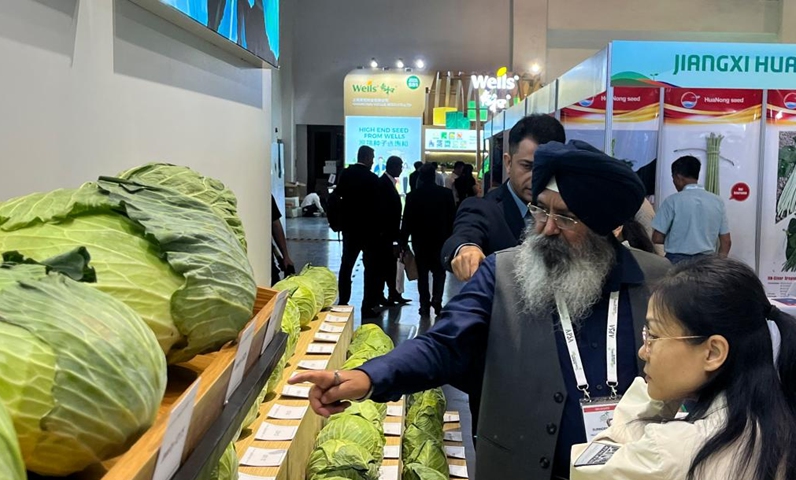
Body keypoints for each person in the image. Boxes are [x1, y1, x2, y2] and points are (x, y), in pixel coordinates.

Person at [290, 140, 672, 480]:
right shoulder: (503, 272)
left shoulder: (660, 283)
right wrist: (367, 377)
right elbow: (443, 344)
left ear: (608, 228)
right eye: (540, 210)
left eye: (566, 218)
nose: (547, 228)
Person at [571, 256, 796, 480]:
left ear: (713, 353)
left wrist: (656, 397)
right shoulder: (780, 422)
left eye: (654, 336)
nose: (643, 351)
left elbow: (584, 467)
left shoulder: (668, 453)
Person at [441, 114, 567, 281]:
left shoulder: (569, 211)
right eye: (527, 166)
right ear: (508, 163)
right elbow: (465, 233)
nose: (536, 177)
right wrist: (465, 249)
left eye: (546, 168)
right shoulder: (484, 209)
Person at [651, 155, 731, 264]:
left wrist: (677, 238)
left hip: (677, 261)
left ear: (678, 177)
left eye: (673, 178)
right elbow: (726, 241)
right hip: (706, 262)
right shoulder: (717, 201)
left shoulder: (672, 201)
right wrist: (718, 264)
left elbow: (657, 238)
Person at [401, 164, 456, 316]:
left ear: (420, 178)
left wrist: (403, 241)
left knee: (422, 275)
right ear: (434, 176)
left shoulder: (413, 196)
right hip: (441, 241)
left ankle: (424, 305)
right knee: (439, 272)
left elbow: (407, 221)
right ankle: (437, 301)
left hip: (420, 242)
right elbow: (452, 218)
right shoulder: (445, 194)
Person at [335, 146, 382, 317]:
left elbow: (338, 197)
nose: (373, 161)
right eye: (372, 158)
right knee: (370, 269)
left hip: (349, 229)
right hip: (369, 232)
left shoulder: (346, 174)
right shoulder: (372, 179)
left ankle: (343, 301)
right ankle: (367, 306)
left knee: (346, 265)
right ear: (367, 157)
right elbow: (377, 208)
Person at [374, 156, 410, 314]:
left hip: (390, 234)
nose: (402, 169)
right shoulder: (383, 184)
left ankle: (393, 294)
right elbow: (384, 211)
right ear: (393, 167)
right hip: (385, 235)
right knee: (385, 266)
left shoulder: (388, 183)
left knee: (391, 266)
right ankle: (384, 295)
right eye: (400, 166)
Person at [271, 195, 295, 285]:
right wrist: (286, 256)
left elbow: (276, 226)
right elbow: (276, 226)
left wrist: (286, 256)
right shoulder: (265, 196)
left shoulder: (266, 197)